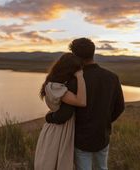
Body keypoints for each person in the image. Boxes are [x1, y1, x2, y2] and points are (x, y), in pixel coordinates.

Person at [46, 38, 125, 170]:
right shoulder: (112, 77)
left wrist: (49, 117)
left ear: (76, 57)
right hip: (102, 135)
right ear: (93, 53)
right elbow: (120, 107)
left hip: (81, 138)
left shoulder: (73, 82)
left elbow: (65, 114)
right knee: (102, 167)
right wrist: (104, 121)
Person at [34, 53, 87, 170]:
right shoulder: (56, 86)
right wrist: (80, 77)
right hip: (59, 129)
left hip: (59, 127)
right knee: (54, 162)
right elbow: (81, 101)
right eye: (77, 69)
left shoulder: (56, 82)